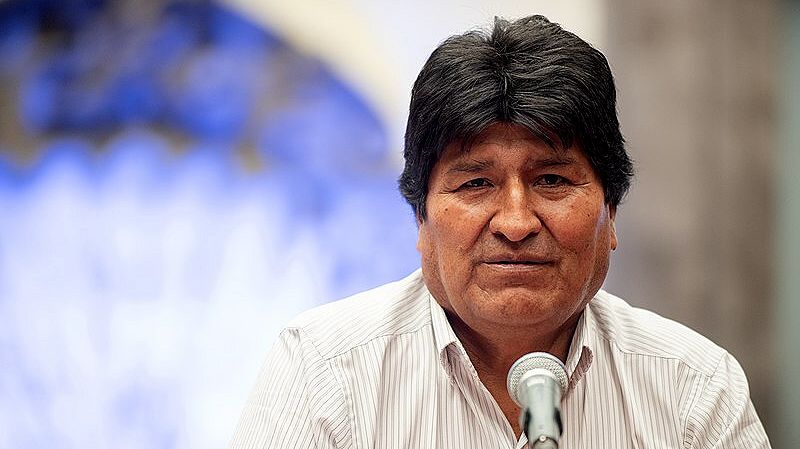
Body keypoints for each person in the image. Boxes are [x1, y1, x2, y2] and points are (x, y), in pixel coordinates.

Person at [228, 15, 771, 449]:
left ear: (611, 211)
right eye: (476, 184)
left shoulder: (695, 390)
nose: (515, 223)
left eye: (552, 180)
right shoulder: (324, 373)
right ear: (420, 218)